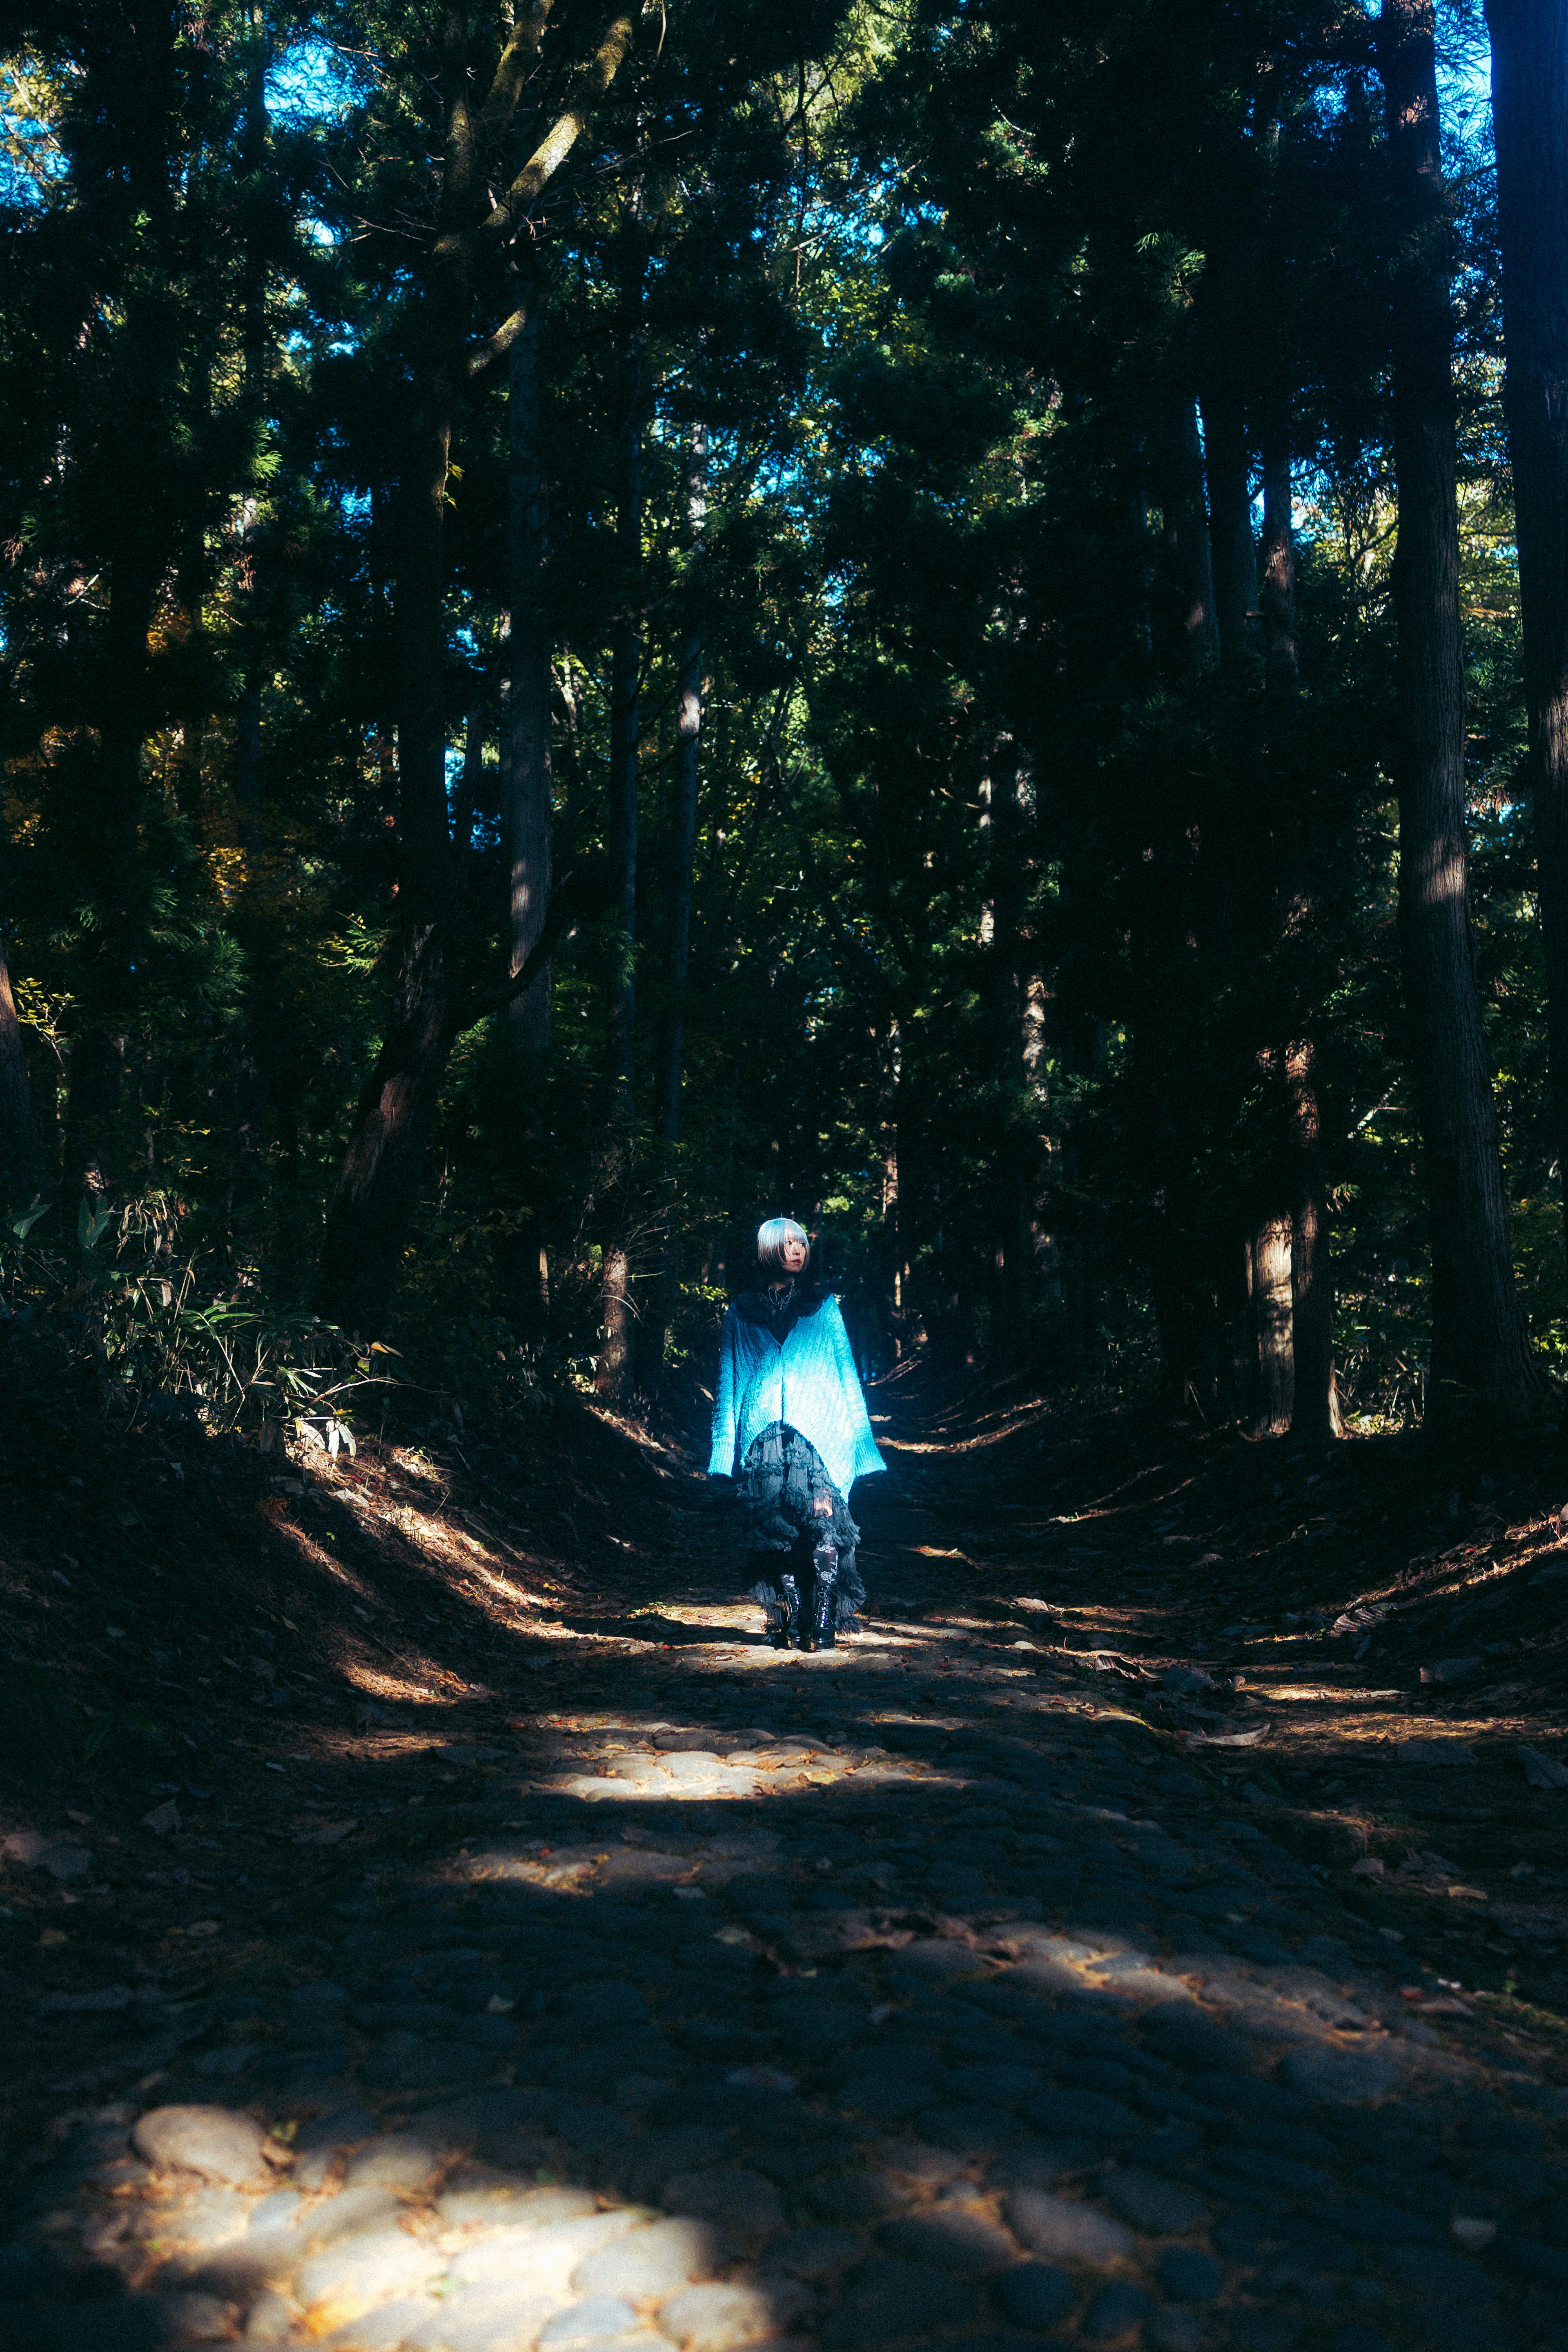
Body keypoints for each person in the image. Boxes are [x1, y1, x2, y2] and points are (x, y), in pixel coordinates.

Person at [708, 1217, 886, 1649]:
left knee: (824, 1527)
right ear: (768, 1249)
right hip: (763, 1438)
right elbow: (729, 1380)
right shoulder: (741, 1310)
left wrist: (862, 1442)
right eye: (787, 1243)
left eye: (802, 1243)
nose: (797, 1250)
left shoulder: (823, 1306)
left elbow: (846, 1373)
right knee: (776, 1532)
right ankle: (795, 1613)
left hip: (820, 1437)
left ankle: (824, 1616)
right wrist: (723, 1448)